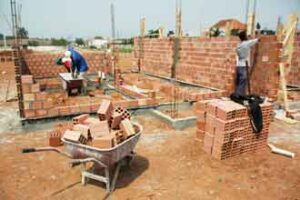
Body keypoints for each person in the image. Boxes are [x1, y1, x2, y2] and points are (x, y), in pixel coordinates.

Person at [235, 31, 259, 96]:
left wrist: (248, 38)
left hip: (238, 65)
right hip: (244, 65)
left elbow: (247, 42)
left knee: (239, 81)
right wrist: (257, 33)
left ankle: (237, 94)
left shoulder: (239, 45)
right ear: (245, 37)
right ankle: (239, 95)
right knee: (243, 81)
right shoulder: (247, 43)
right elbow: (257, 40)